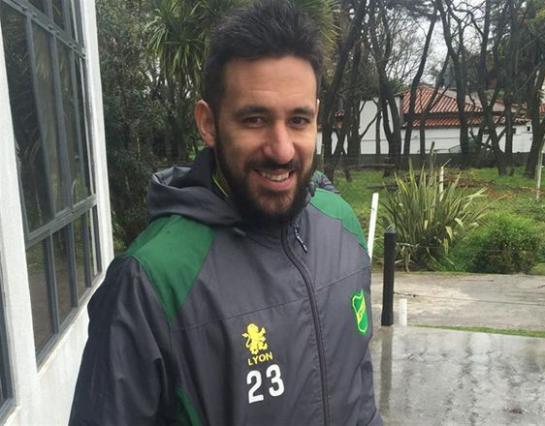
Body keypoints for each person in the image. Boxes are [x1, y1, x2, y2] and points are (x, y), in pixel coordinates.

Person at [69, 1, 381, 425]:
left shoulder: (341, 224)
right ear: (208, 123)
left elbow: (360, 388)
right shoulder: (150, 281)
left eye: (298, 120)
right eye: (255, 119)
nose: (282, 149)